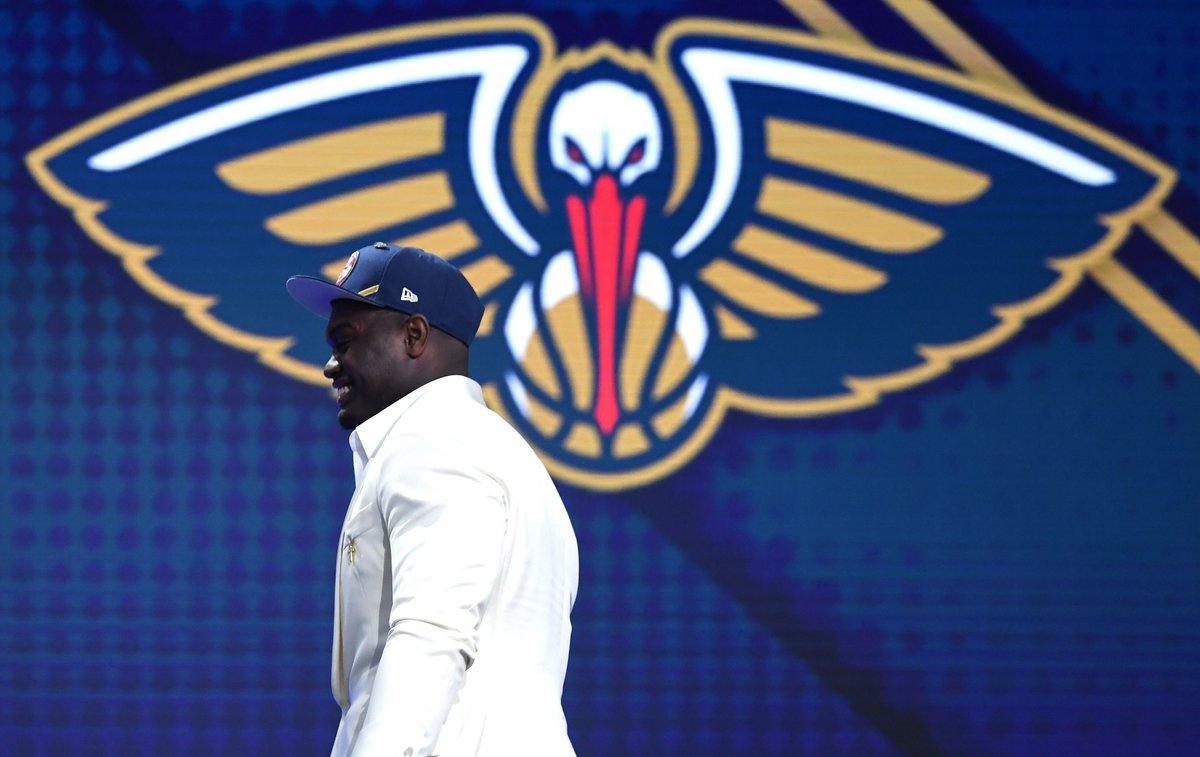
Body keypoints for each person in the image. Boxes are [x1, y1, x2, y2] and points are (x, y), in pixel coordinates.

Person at [286, 242, 579, 756]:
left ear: (414, 335)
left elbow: (431, 635)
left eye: (346, 341)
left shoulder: (434, 443)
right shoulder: (496, 450)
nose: (331, 365)